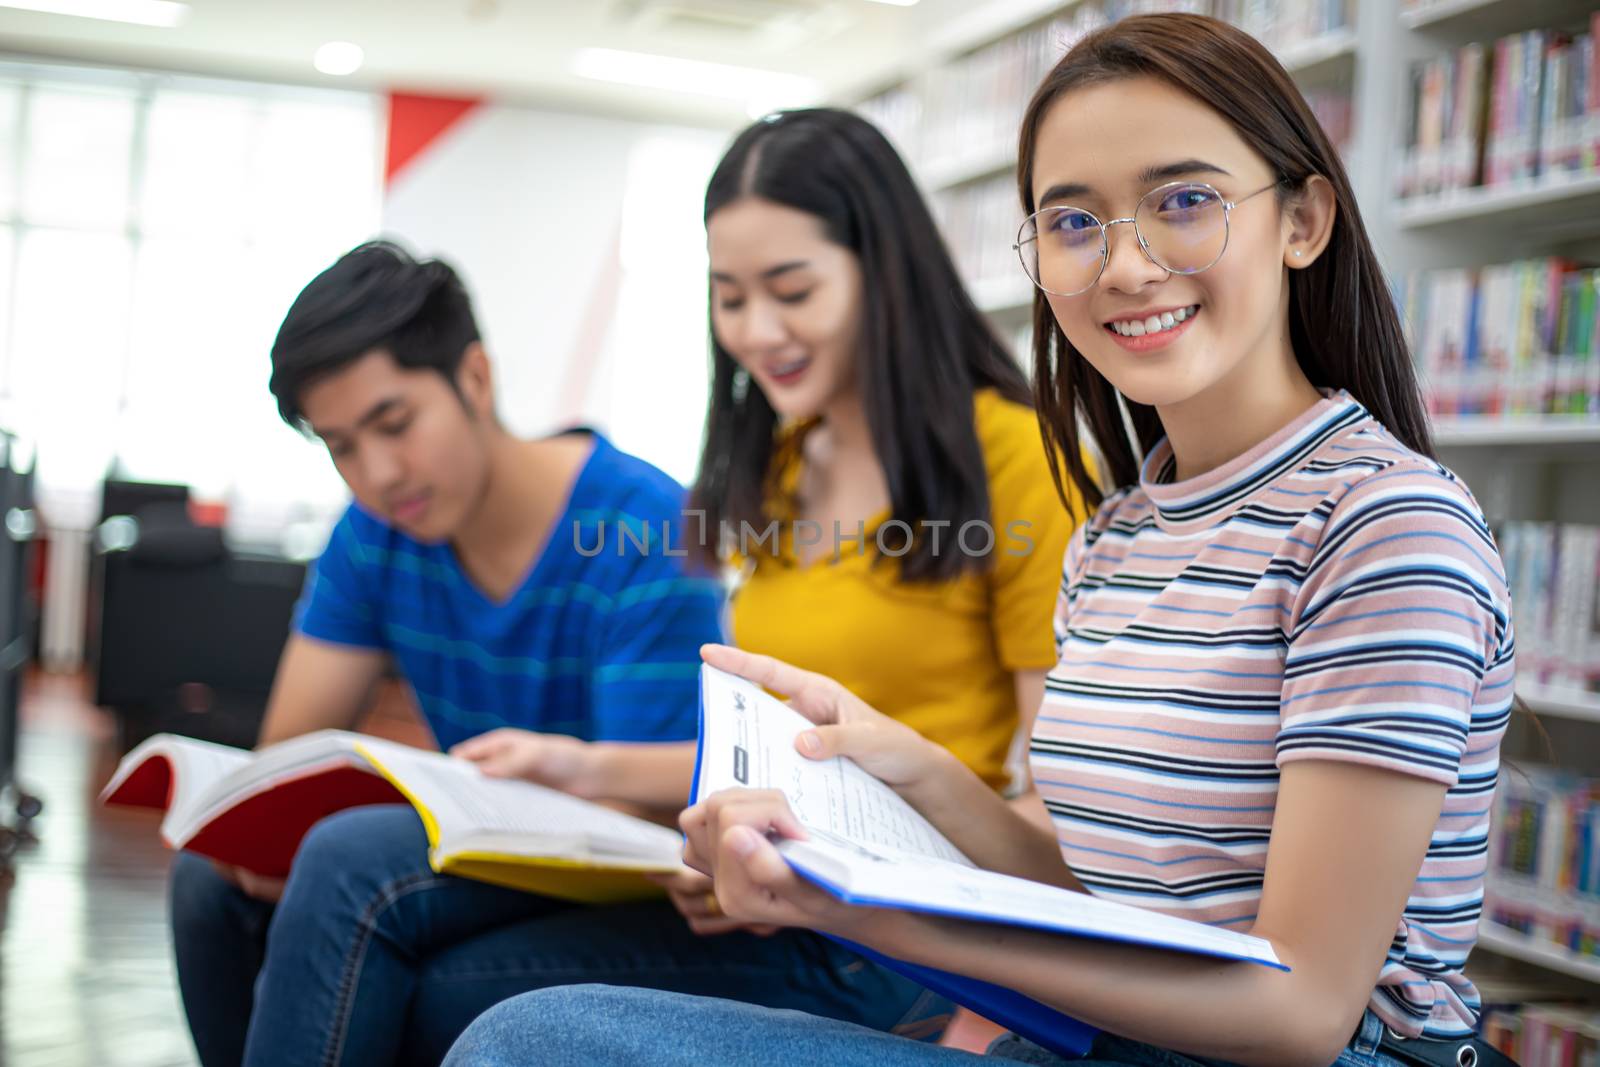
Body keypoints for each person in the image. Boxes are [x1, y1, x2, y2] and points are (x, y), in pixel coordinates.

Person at [443, 14, 1516, 1067]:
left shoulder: (1385, 527)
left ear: (1303, 219)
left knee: (525, 1034)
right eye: (1073, 221)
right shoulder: (1120, 531)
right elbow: (1102, 894)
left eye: (1182, 202)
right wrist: (903, 768)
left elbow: (1303, 1011)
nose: (1125, 265)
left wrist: (874, 917)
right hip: (1090, 1033)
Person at [398, 107, 1080, 1061]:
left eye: (792, 289)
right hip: (788, 895)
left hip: (908, 927)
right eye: (729, 297)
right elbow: (790, 747)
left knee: (444, 1000)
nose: (757, 332)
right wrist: (594, 771)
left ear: (884, 272)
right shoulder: (787, 456)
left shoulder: (1014, 459)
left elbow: (1064, 821)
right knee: (418, 959)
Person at [167, 240, 725, 1067]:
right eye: (342, 446)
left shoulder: (645, 528)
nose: (379, 473)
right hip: (490, 843)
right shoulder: (375, 536)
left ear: (475, 377)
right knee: (209, 881)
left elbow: (643, 824)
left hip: (624, 871)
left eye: (394, 424)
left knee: (349, 863)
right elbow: (285, 756)